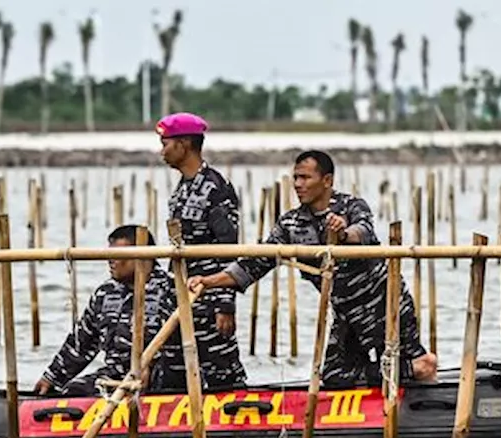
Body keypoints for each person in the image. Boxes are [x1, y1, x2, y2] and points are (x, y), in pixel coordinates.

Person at [187, 150, 438, 387]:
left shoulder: (351, 206)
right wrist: (208, 281)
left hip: (384, 303)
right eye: (296, 177)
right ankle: (407, 371)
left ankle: (420, 371)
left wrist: (342, 234)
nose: (298, 184)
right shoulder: (291, 224)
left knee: (401, 363)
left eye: (305, 177)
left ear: (327, 180)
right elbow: (252, 265)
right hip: (346, 313)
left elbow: (363, 231)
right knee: (333, 376)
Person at [34, 225, 183, 397]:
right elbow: (81, 343)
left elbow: (187, 344)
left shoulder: (171, 289)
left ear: (144, 257)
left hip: (163, 377)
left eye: (118, 256)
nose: (110, 261)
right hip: (116, 375)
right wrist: (52, 377)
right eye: (109, 255)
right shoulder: (105, 293)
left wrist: (149, 367)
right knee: (74, 391)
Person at [156, 111, 247, 391]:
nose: (162, 152)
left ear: (184, 144)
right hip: (180, 297)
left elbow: (227, 250)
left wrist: (224, 304)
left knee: (222, 374)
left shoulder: (216, 189)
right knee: (173, 373)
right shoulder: (181, 190)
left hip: (208, 299)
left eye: (166, 144)